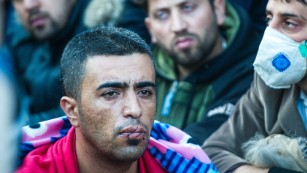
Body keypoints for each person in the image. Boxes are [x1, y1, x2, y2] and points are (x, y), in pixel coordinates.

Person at [16, 26, 218, 173]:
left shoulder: (184, 167)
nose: (134, 109)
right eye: (111, 93)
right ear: (72, 111)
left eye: (144, 92)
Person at [4, 0, 150, 125]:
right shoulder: (23, 44)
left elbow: (108, 109)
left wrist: (15, 131)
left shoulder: (116, 22)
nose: (29, 5)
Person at [202, 0, 307, 172]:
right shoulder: (270, 83)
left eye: (289, 23)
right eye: (269, 19)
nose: (270, 35)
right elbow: (212, 152)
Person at [138, 0, 261, 144]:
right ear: (150, 28)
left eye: (188, 8)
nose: (178, 26)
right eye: (162, 15)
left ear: (218, 9)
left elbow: (209, 144)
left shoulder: (255, 72)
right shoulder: (140, 73)